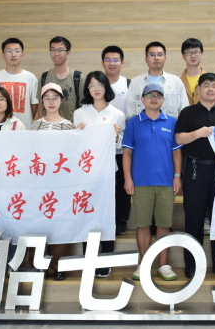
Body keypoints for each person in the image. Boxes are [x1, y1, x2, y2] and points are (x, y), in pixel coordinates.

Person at [175, 73, 215, 279]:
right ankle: (193, 265)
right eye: (207, 85)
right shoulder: (188, 112)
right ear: (198, 89)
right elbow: (178, 138)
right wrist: (197, 133)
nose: (211, 89)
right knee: (194, 219)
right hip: (195, 171)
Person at [122, 84, 182, 282]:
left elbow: (176, 152)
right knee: (143, 225)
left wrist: (177, 175)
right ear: (142, 99)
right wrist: (128, 178)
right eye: (149, 95)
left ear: (163, 99)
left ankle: (163, 266)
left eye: (158, 95)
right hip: (141, 182)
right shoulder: (133, 123)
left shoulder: (172, 122)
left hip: (166, 182)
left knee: (164, 225)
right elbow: (127, 152)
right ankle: (144, 263)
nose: (154, 98)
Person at [73, 71, 125, 278]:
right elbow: (75, 144)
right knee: (87, 214)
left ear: (106, 87)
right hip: (85, 173)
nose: (96, 89)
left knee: (106, 215)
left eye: (100, 85)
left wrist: (116, 135)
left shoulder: (117, 114)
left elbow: (120, 147)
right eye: (92, 85)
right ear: (87, 89)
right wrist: (77, 132)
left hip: (107, 172)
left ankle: (106, 259)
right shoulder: (80, 113)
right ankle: (89, 259)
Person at [30, 83, 75, 280]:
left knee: (61, 222)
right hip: (39, 182)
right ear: (41, 102)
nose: (51, 102)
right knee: (39, 222)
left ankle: (58, 265)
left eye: (55, 98)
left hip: (61, 182)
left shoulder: (68, 125)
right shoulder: (35, 126)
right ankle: (40, 264)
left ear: (61, 101)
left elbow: (73, 153)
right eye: (46, 98)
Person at [101, 45, 131, 235]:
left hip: (122, 146)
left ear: (122, 62)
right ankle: (103, 217)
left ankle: (121, 219)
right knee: (104, 185)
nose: (111, 63)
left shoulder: (128, 84)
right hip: (100, 147)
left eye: (115, 60)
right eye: (108, 60)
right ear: (102, 62)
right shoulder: (97, 84)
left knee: (122, 183)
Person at [126, 42, 188, 119]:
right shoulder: (135, 82)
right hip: (142, 126)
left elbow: (184, 110)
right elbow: (130, 113)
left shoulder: (176, 81)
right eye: (152, 55)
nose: (156, 58)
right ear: (146, 59)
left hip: (171, 126)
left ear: (165, 58)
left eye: (160, 55)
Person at [0, 38, 39, 129]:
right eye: (9, 51)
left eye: (17, 51)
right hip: (1, 128)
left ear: (22, 55)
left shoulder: (30, 77)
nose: (13, 54)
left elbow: (34, 105)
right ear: (3, 55)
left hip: (25, 128)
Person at [39, 36, 85, 122]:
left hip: (72, 127)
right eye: (53, 50)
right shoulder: (44, 77)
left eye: (60, 50)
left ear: (68, 53)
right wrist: (41, 125)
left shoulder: (78, 77)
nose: (56, 54)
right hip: (50, 127)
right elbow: (41, 105)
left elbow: (83, 106)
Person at [179, 38, 215, 105]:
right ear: (183, 56)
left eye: (196, 52)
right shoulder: (178, 81)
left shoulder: (212, 81)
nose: (193, 56)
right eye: (189, 52)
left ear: (202, 54)